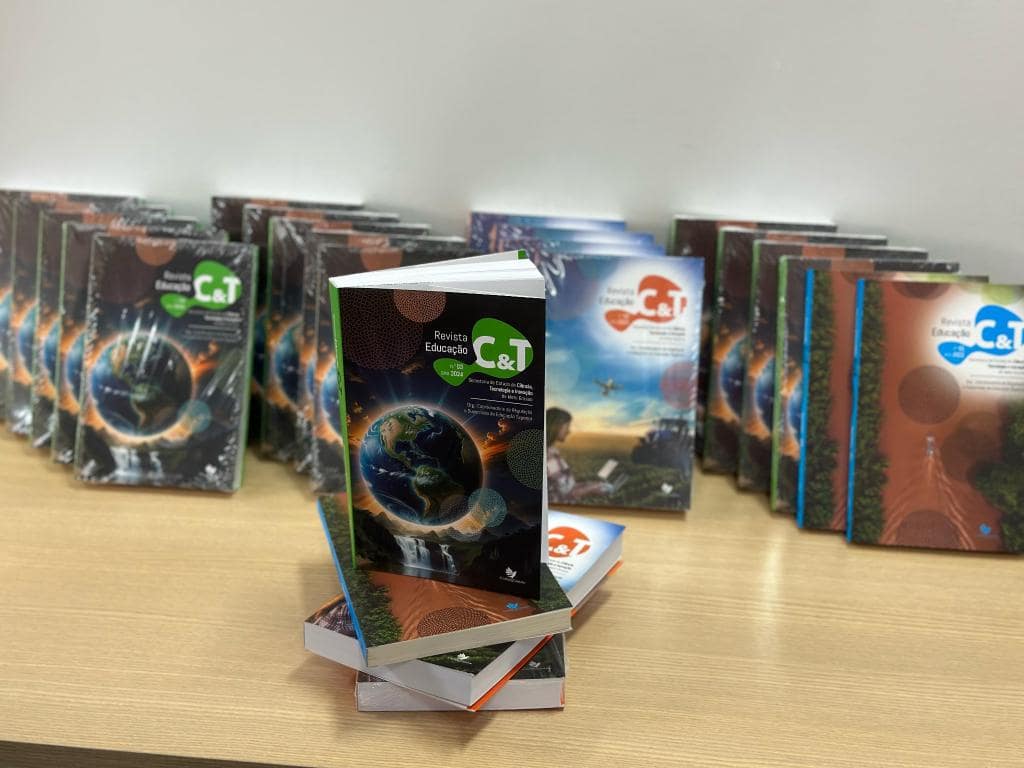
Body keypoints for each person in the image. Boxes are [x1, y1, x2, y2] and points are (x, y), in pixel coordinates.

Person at [546, 407, 614, 503]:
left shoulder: (551, 451)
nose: (569, 431)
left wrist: (590, 484)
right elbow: (568, 493)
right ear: (557, 426)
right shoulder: (549, 456)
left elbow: (567, 486)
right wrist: (593, 488)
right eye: (567, 426)